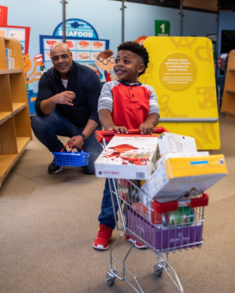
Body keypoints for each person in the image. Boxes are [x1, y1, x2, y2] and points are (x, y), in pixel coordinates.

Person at [93, 41, 160, 250]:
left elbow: (154, 113)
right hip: (116, 148)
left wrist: (149, 123)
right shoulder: (109, 87)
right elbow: (103, 109)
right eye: (118, 60)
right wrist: (111, 126)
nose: (119, 64)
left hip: (142, 149)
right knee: (113, 190)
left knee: (137, 192)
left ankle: (133, 228)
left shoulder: (148, 90)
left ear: (140, 68)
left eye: (126, 61)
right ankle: (105, 227)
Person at [31, 42, 103, 175]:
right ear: (51, 59)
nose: (60, 61)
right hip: (65, 122)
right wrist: (55, 99)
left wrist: (82, 136)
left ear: (70, 55)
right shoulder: (47, 77)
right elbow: (40, 109)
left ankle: (85, 146)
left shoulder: (88, 76)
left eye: (64, 56)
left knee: (93, 168)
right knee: (37, 121)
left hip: (88, 125)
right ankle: (61, 155)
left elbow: (97, 113)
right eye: (56, 58)